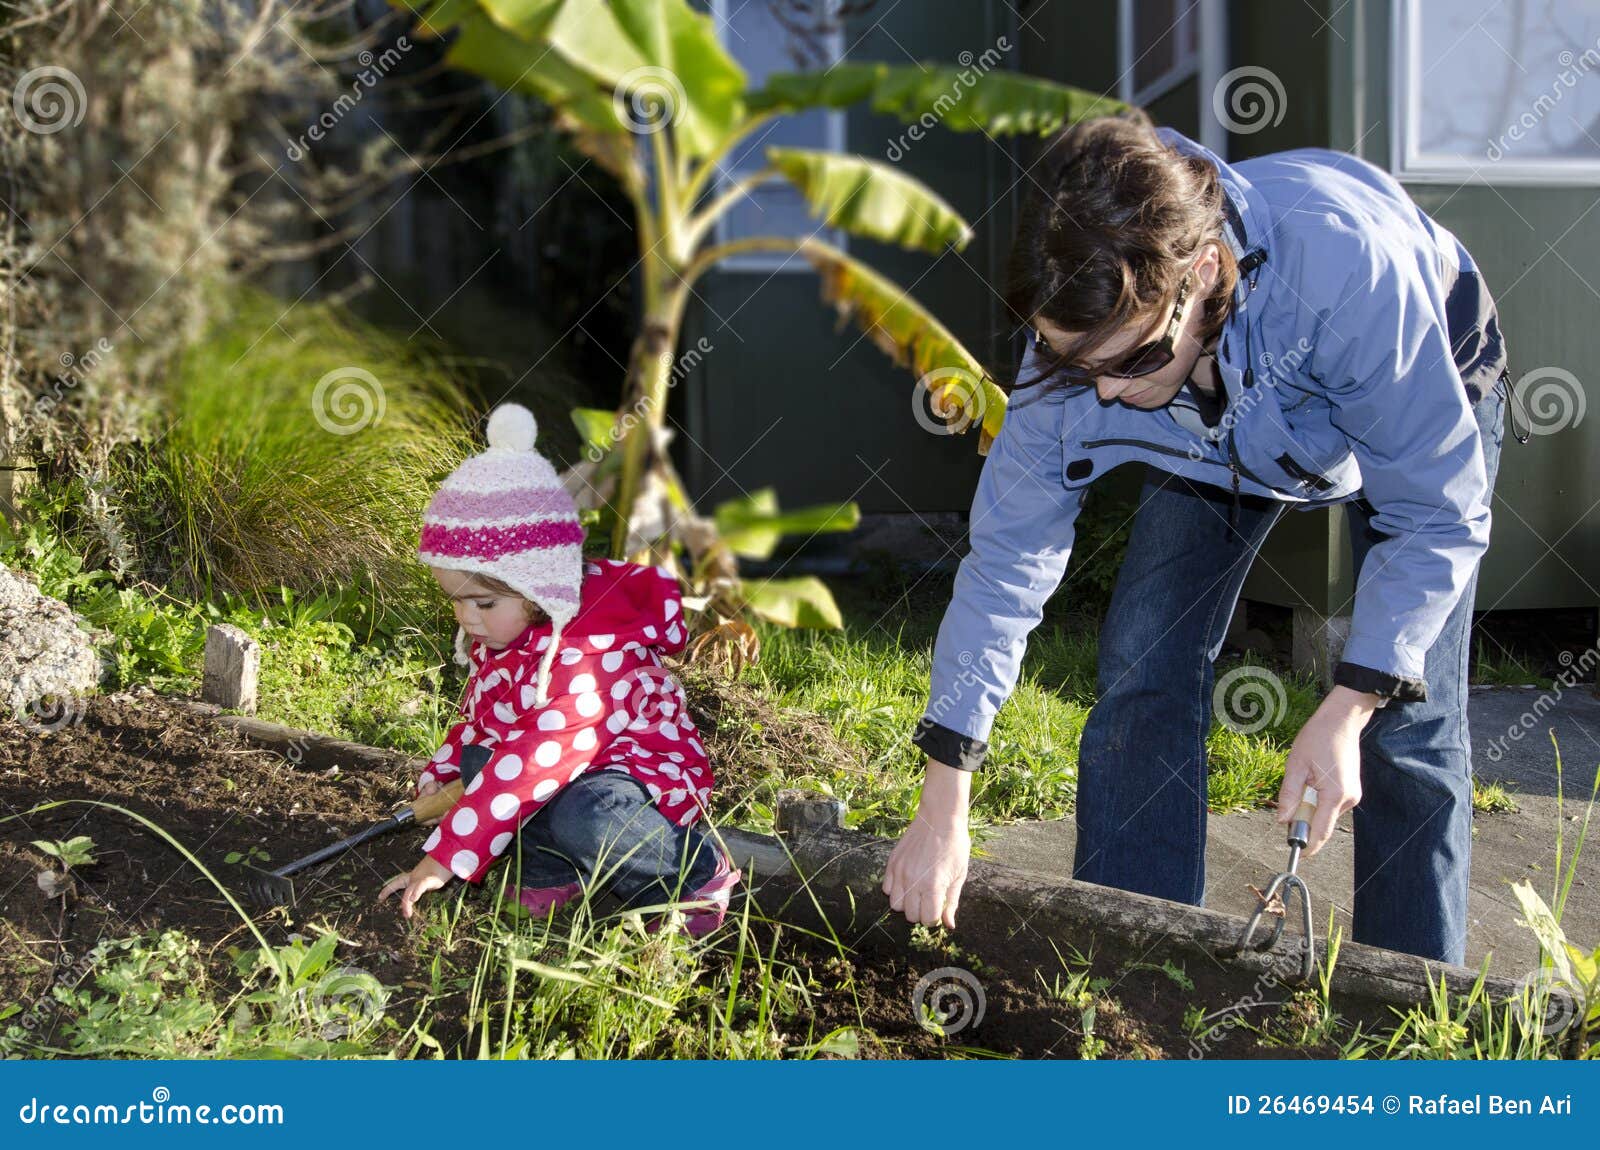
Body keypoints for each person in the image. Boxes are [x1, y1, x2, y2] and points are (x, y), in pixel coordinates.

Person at [883, 109, 1511, 965]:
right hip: (1215, 423)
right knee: (1144, 668)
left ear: (1204, 272)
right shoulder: (1082, 360)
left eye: (1129, 362)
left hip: (1419, 368)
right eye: (1076, 366)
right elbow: (1005, 568)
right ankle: (1132, 963)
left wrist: (1349, 701)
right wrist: (944, 794)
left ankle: (1409, 1005)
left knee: (1410, 720)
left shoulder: (1347, 273)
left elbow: (1437, 515)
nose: (1099, 398)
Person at [378, 403, 740, 933]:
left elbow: (534, 762)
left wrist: (447, 853)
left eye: (481, 602)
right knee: (484, 758)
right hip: (559, 768)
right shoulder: (511, 637)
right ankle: (553, 871)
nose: (465, 617)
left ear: (538, 590)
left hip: (635, 777)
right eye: (454, 601)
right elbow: (479, 722)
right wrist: (443, 777)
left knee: (584, 814)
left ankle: (690, 874)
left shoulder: (586, 660)